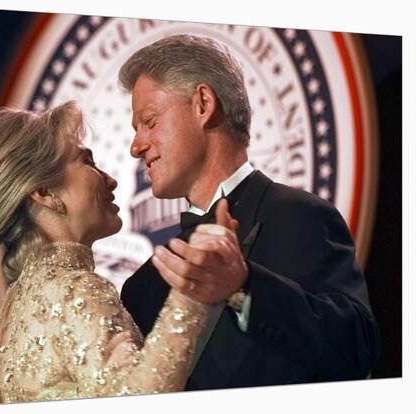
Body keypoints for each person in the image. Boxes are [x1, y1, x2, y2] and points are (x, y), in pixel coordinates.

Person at [118, 34, 380, 389]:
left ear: (203, 104)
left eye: (149, 121)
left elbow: (356, 351)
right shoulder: (143, 287)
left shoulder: (299, 217)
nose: (136, 146)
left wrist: (244, 287)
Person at [0, 102, 209, 403]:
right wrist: (193, 293)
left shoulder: (13, 311)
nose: (110, 180)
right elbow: (135, 397)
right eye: (87, 162)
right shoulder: (74, 290)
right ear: (44, 192)